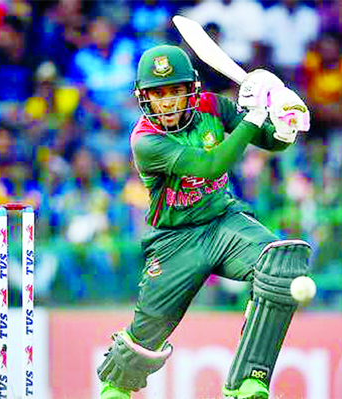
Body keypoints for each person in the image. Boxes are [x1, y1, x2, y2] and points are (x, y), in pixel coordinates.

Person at [95, 44, 313, 399]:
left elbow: (267, 141)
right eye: (157, 94)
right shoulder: (146, 141)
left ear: (190, 89)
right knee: (148, 332)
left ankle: (248, 381)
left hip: (223, 221)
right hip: (175, 240)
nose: (166, 102)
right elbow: (212, 165)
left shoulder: (212, 106)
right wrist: (254, 115)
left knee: (281, 265)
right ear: (143, 97)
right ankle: (116, 386)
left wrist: (284, 125)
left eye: (174, 91)